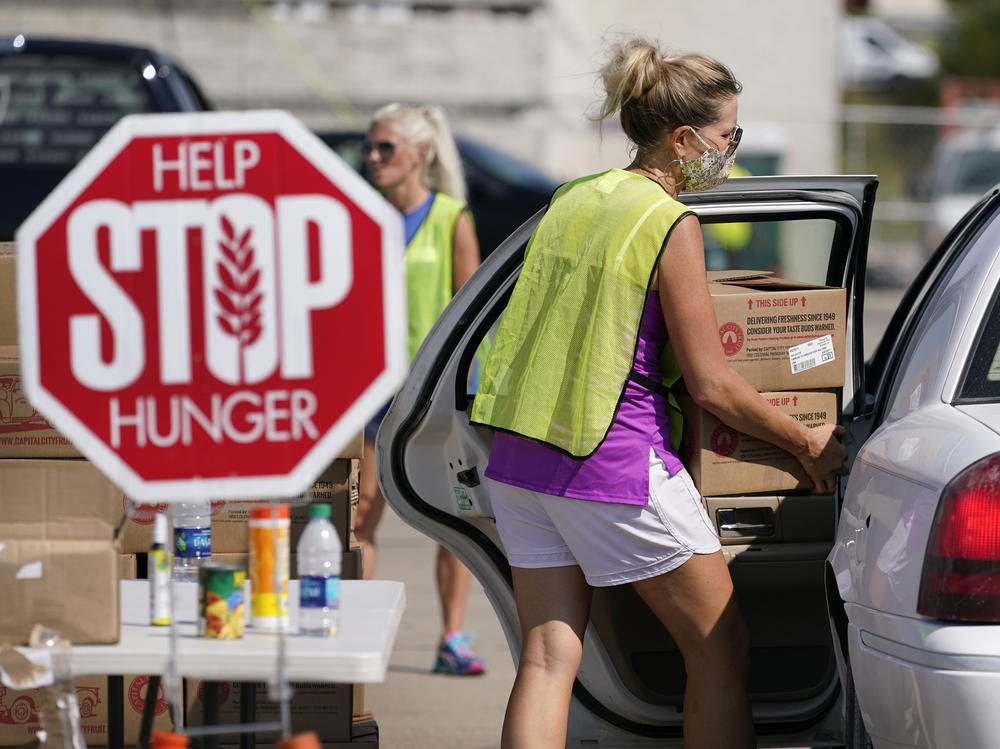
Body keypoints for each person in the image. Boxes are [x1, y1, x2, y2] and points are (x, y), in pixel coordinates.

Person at [469, 37, 848, 749]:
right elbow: (711, 382)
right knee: (721, 645)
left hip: (521, 459)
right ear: (683, 140)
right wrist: (806, 442)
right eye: (726, 135)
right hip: (611, 463)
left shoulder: (575, 198)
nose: (730, 150)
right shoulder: (669, 222)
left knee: (548, 659)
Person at [355, 102, 486, 676]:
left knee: (454, 520)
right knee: (359, 517)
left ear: (420, 154)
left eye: (385, 147)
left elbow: (473, 314)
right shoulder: (359, 216)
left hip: (433, 397)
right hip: (371, 396)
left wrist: (467, 398)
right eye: (370, 147)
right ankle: (353, 634)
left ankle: (452, 638)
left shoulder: (451, 217)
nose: (372, 157)